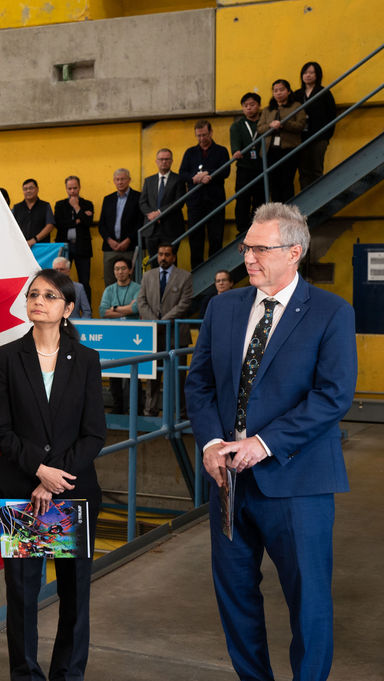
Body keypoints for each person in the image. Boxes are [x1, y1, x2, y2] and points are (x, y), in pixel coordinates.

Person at [184, 202, 356, 681]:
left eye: (259, 248)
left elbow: (333, 395)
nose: (248, 258)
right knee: (235, 598)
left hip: (297, 483)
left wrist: (265, 443)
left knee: (310, 602)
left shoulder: (331, 313)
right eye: (246, 247)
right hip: (229, 485)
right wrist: (211, 443)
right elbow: (199, 385)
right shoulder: (222, 307)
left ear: (294, 252)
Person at [0, 268, 105, 681]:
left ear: (68, 309)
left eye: (50, 296)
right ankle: (26, 675)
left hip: (71, 494)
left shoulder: (86, 360)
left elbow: (95, 434)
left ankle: (68, 675)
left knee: (74, 597)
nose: (39, 301)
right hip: (22, 494)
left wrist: (55, 479)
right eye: (33, 294)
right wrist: (39, 470)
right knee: (22, 597)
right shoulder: (6, 357)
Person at [136, 243, 193, 416]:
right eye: (160, 254)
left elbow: (185, 304)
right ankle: (150, 412)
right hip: (153, 334)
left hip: (176, 335)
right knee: (152, 376)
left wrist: (164, 321)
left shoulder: (185, 276)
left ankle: (179, 413)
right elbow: (141, 301)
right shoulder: (148, 276)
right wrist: (155, 322)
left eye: (167, 254)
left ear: (173, 257)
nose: (163, 258)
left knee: (178, 377)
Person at [179, 120, 232, 269]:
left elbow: (226, 171)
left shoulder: (221, 151)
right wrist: (194, 178)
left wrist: (211, 175)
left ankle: (216, 272)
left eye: (204, 135)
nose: (202, 138)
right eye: (198, 136)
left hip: (215, 201)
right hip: (195, 203)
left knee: (216, 237)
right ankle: (197, 273)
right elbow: (182, 173)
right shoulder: (190, 152)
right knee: (195, 238)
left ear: (211, 132)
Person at [99, 256, 141, 413]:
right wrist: (124, 308)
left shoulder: (138, 288)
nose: (120, 272)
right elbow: (103, 311)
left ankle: (136, 409)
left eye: (123, 268)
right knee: (114, 373)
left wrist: (114, 308)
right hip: (114, 336)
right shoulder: (109, 289)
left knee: (133, 374)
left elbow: (136, 309)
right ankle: (117, 408)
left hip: (133, 336)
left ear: (130, 271)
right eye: (117, 269)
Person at [257, 79, 307, 203]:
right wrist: (270, 126)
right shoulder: (267, 109)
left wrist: (283, 124)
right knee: (273, 183)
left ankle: (288, 214)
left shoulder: (296, 106)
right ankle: (277, 216)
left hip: (289, 149)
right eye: (275, 91)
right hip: (270, 151)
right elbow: (259, 128)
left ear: (288, 91)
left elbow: (300, 125)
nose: (278, 93)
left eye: (281, 90)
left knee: (287, 182)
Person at [97, 169, 142, 286]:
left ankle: (131, 305)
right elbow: (101, 224)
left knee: (133, 281)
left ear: (129, 180)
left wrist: (128, 240)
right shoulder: (108, 199)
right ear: (114, 181)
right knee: (109, 281)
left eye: (123, 179)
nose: (120, 182)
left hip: (130, 247)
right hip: (110, 248)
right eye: (117, 179)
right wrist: (109, 240)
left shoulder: (138, 197)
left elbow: (140, 223)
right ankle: (111, 305)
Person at [229, 93, 266, 235]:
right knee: (242, 199)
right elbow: (235, 146)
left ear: (259, 105)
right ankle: (242, 229)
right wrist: (236, 151)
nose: (249, 108)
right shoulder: (237, 126)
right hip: (244, 168)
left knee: (260, 200)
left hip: (262, 168)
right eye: (246, 106)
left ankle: (259, 228)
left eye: (252, 105)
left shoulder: (263, 122)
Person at [53, 175, 95, 300]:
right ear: (66, 189)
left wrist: (77, 208)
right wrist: (78, 220)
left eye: (75, 188)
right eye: (69, 188)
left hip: (82, 247)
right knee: (61, 281)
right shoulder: (60, 205)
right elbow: (59, 224)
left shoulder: (87, 204)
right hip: (65, 246)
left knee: (84, 281)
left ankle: (88, 312)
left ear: (79, 187)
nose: (72, 191)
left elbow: (88, 222)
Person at [296, 61, 337, 189]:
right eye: (305, 72)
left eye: (311, 72)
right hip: (300, 138)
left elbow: (332, 115)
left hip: (319, 137)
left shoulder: (324, 92)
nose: (308, 75)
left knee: (316, 170)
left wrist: (326, 136)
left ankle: (318, 202)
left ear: (317, 75)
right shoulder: (297, 94)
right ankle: (306, 203)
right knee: (303, 171)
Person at [139, 149, 186, 256]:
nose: (164, 162)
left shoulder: (179, 180)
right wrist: (151, 214)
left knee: (170, 262)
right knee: (153, 262)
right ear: (156, 161)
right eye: (161, 159)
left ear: (171, 161)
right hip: (151, 228)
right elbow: (142, 202)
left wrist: (159, 212)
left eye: (167, 159)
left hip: (171, 228)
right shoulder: (148, 181)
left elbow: (179, 202)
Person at [12, 178, 56, 246]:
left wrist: (34, 240)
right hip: (21, 246)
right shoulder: (16, 208)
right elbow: (11, 226)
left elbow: (50, 225)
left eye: (31, 188)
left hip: (41, 247)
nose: (28, 191)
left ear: (37, 189)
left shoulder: (45, 206)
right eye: (25, 189)